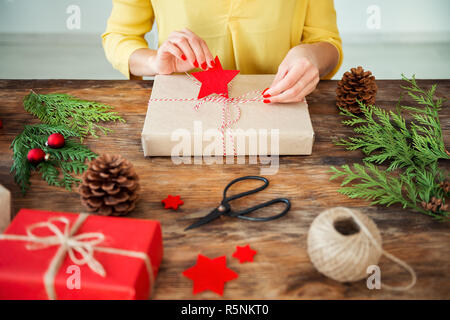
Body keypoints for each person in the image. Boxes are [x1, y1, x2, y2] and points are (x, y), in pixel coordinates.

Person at [102, 0, 342, 103]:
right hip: (185, 109)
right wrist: (154, 61)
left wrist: (311, 56)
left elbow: (326, 41)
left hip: (281, 105)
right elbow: (120, 37)